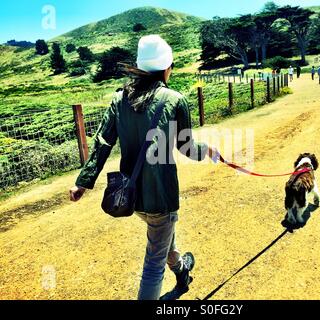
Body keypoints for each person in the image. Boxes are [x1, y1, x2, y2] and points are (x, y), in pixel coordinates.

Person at [69, 35, 216, 300]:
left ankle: (182, 271)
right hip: (161, 197)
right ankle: (176, 273)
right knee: (153, 265)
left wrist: (83, 182)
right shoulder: (175, 100)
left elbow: (103, 141)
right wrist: (209, 151)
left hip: (131, 196)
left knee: (162, 238)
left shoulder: (118, 100)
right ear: (165, 68)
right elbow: (186, 148)